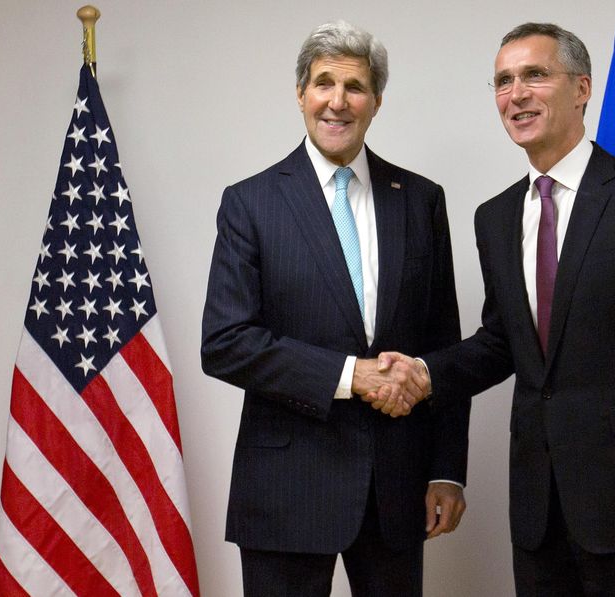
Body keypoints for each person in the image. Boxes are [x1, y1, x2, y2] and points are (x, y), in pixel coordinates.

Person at [371, 22, 615, 596]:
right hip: (537, 509)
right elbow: (504, 341)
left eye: (535, 75)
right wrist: (425, 374)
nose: (516, 94)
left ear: (582, 88)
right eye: (503, 81)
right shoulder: (495, 217)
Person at [200, 20, 471, 597]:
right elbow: (226, 343)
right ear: (301, 94)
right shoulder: (250, 203)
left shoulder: (421, 200)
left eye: (355, 87)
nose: (338, 101)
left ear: (376, 101)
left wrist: (447, 470)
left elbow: (443, 343)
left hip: (398, 491)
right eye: (324, 83)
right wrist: (354, 377)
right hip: (286, 492)